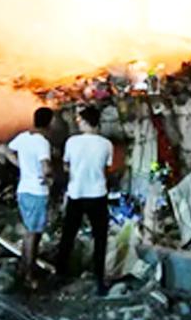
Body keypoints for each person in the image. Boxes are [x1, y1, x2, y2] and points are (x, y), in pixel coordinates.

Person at [54, 106, 113, 295]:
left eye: (80, 121)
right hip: (98, 194)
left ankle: (59, 274)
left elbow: (66, 165)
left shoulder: (72, 142)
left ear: (86, 122)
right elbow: (108, 168)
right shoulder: (106, 144)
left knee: (68, 235)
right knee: (100, 238)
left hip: (76, 193)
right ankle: (99, 280)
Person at [7, 106, 53, 288]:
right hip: (37, 192)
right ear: (49, 122)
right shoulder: (42, 142)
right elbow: (46, 166)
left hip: (23, 190)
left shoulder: (23, 137)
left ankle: (24, 267)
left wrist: (21, 166)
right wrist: (49, 177)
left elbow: (7, 150)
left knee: (29, 231)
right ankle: (29, 274)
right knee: (34, 235)